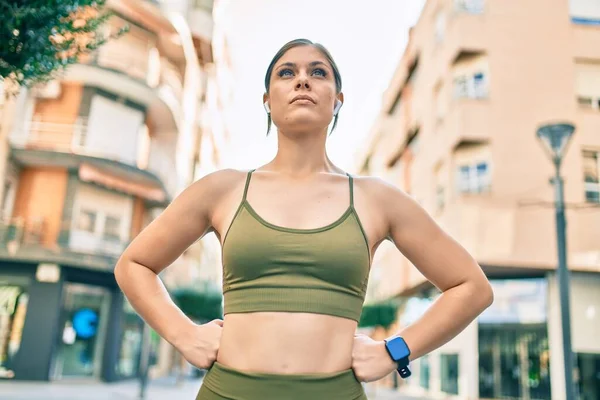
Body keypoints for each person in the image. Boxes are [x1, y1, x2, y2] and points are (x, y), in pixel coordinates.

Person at [114, 38, 494, 400]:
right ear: (267, 101)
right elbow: (134, 264)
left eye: (318, 72)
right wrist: (184, 335)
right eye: (286, 72)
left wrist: (394, 351)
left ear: (337, 100)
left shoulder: (377, 198)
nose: (302, 80)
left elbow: (471, 287)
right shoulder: (222, 189)